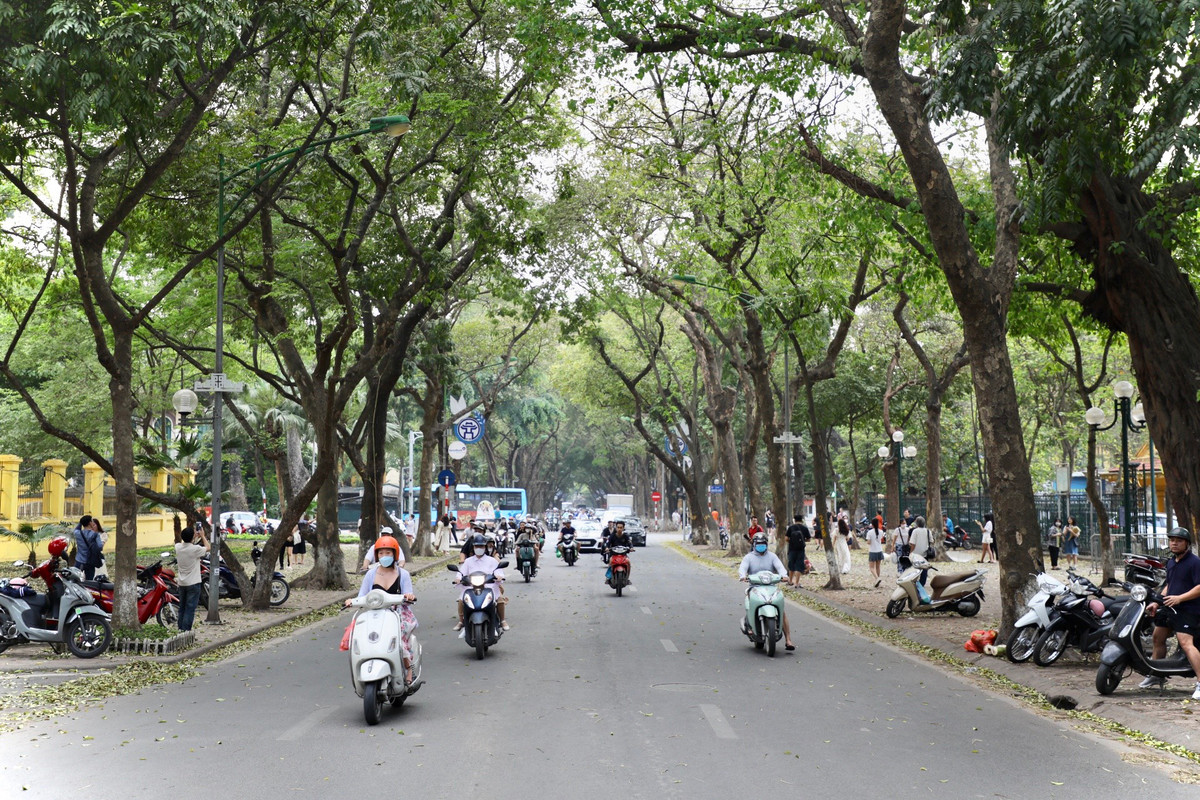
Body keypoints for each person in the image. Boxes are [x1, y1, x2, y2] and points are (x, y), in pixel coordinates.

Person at [345, 534, 417, 682]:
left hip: (398, 613)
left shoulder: (403, 574)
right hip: (374, 613)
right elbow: (362, 595)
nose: (384, 556)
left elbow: (409, 595)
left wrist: (409, 597)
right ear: (376, 555)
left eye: (388, 553)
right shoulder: (371, 574)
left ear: (395, 554)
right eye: (381, 553)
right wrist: (351, 601)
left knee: (398, 638)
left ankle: (408, 667)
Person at [1139, 528, 1200, 697]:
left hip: (1188, 609)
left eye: (1178, 540)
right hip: (1169, 607)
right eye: (1172, 540)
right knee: (1157, 638)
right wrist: (1156, 602)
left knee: (1186, 643)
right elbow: (1169, 585)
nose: (1174, 543)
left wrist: (1180, 598)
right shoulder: (1172, 562)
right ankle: (1157, 675)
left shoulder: (1195, 562)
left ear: (1186, 544)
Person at [738, 532, 795, 650]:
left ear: (766, 544)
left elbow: (780, 568)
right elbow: (743, 568)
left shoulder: (772, 556)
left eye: (763, 544)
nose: (760, 546)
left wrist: (784, 576)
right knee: (751, 603)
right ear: (753, 544)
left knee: (782, 611)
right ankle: (750, 626)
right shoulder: (748, 557)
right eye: (758, 544)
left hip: (771, 587)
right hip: (754, 587)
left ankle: (788, 639)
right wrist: (742, 575)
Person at [454, 534, 508, 632]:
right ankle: (461, 621)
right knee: (461, 600)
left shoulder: (492, 561)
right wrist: (458, 579)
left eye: (481, 546)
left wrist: (499, 577)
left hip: (489, 586)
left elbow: (498, 572)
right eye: (477, 546)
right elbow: (461, 573)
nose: (479, 548)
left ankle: (503, 620)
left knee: (499, 600)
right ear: (473, 547)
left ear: (485, 547)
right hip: (471, 587)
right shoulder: (468, 561)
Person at [174, 525, 211, 631]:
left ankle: (180, 629)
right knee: (190, 609)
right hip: (193, 583)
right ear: (192, 538)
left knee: (182, 608)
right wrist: (203, 536)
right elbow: (208, 547)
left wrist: (193, 536)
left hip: (182, 583)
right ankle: (186, 631)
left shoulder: (178, 547)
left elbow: (185, 543)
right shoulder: (195, 549)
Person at [72, 514, 102, 581]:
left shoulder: (77, 533)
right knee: (89, 581)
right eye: (92, 521)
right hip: (90, 562)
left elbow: (76, 528)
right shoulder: (95, 534)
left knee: (75, 580)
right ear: (90, 523)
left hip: (79, 561)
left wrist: (81, 522)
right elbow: (100, 547)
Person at [784, 515, 810, 587]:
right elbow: (809, 539)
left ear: (794, 520)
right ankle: (796, 583)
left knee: (791, 565)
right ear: (802, 520)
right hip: (801, 550)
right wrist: (802, 541)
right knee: (799, 566)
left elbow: (786, 538)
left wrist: (792, 541)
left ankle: (790, 581)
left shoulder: (791, 528)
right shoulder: (804, 528)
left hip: (792, 549)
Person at [866, 516, 885, 586]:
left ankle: (877, 578)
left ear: (872, 524)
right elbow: (880, 538)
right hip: (879, 550)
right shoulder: (881, 531)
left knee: (871, 567)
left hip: (872, 551)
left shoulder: (869, 532)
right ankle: (877, 579)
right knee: (878, 566)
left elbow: (868, 542)